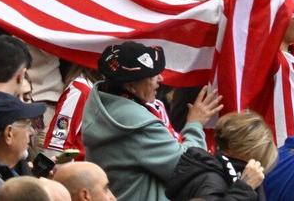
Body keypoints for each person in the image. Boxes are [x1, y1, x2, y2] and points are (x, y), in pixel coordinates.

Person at [80, 42, 219, 201]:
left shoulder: (102, 105)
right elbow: (188, 168)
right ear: (131, 86)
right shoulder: (137, 124)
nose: (161, 79)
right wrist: (195, 124)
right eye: (152, 75)